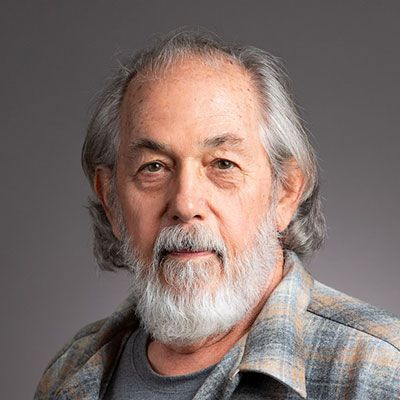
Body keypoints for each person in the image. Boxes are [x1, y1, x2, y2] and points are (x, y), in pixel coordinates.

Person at [34, 30, 400, 400]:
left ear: (285, 193)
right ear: (111, 200)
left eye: (223, 164)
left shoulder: (378, 371)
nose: (185, 204)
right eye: (154, 167)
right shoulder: (70, 371)